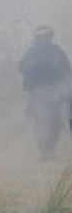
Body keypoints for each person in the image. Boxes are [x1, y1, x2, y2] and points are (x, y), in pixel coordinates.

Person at [18, 25, 71, 160]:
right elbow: (22, 67)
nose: (43, 41)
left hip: (54, 94)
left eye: (45, 38)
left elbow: (66, 72)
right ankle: (44, 150)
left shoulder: (57, 53)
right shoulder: (32, 54)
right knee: (41, 123)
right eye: (41, 38)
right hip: (38, 93)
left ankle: (49, 150)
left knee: (53, 122)